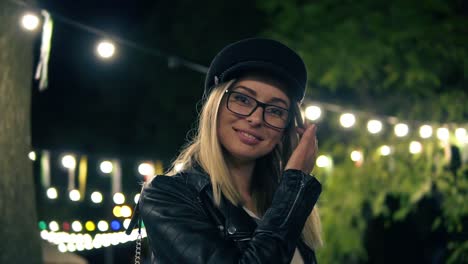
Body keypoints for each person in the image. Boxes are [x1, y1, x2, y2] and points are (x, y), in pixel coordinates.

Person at [127, 38, 323, 263]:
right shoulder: (168, 196)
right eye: (242, 99)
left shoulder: (279, 204)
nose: (256, 118)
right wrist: (295, 184)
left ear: (287, 128)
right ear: (215, 106)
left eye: (275, 111)